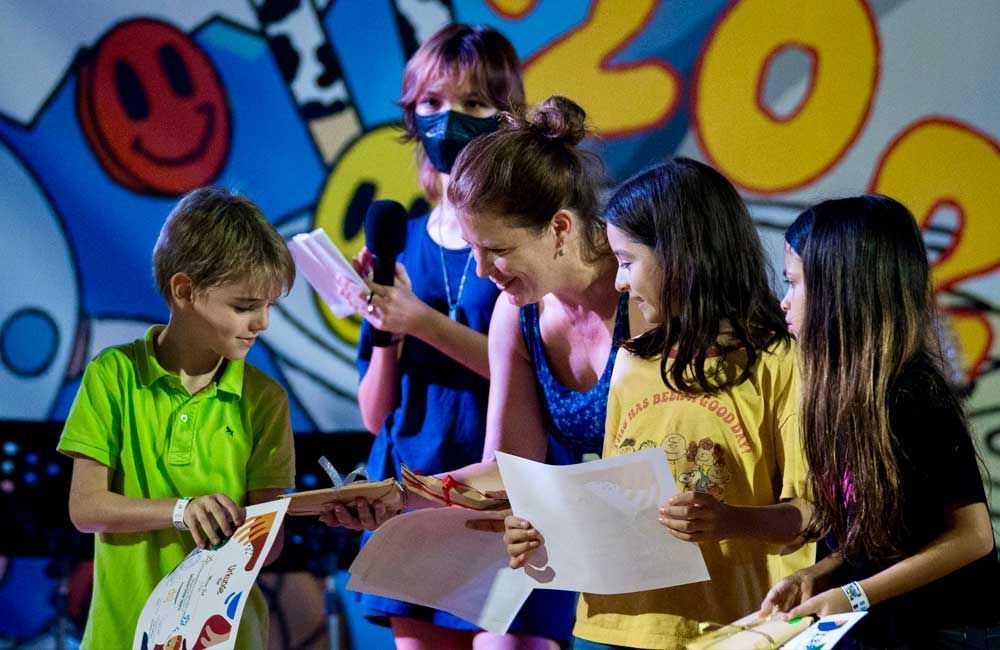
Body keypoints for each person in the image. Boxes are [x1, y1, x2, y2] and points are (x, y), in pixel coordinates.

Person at [326, 23, 571, 650]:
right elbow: (377, 412)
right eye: (431, 104)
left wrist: (421, 321)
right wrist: (385, 327)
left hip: (510, 489)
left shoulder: (530, 236)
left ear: (507, 114)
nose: (447, 120)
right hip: (416, 487)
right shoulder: (397, 239)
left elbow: (541, 377)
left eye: (471, 104)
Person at [57, 186, 296, 650]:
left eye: (269, 306)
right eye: (245, 306)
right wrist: (182, 511)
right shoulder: (113, 375)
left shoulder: (265, 400)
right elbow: (85, 508)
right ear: (184, 290)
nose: (262, 323)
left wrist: (284, 521)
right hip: (120, 637)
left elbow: (272, 546)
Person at [759, 195, 1000, 648]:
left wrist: (854, 594)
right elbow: (879, 534)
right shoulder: (844, 392)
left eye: (793, 284)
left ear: (840, 291)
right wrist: (818, 573)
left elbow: (973, 536)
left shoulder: (914, 397)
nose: (783, 303)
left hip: (953, 631)